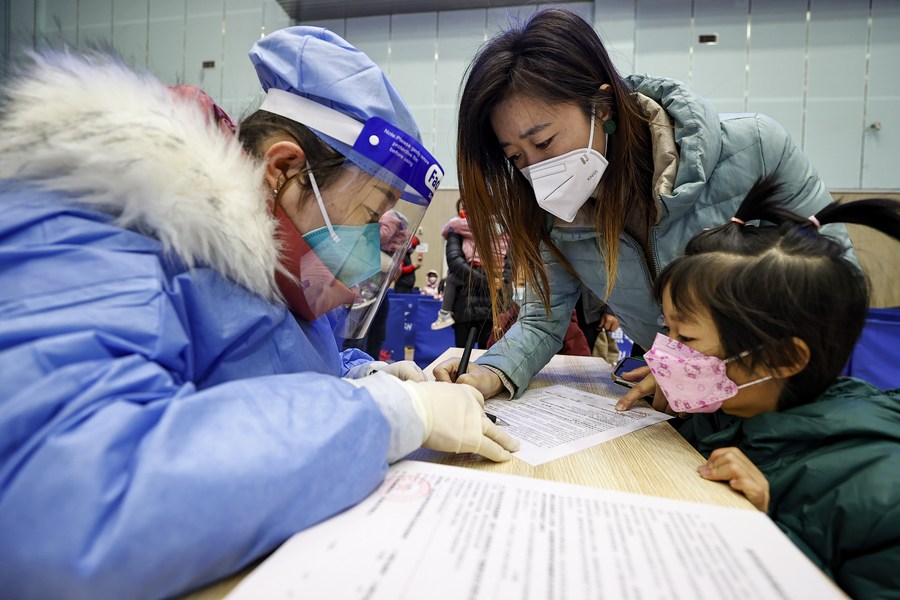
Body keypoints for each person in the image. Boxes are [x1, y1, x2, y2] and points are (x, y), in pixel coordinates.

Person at [0, 28, 518, 599]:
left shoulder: (275, 259)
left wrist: (362, 375)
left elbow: (262, 365)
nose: (371, 250)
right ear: (283, 169)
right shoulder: (101, 221)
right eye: (370, 214)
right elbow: (64, 506)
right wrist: (386, 414)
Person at [433, 8, 855, 401]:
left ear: (602, 107)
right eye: (516, 157)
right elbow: (542, 320)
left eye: (543, 143)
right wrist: (491, 372)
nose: (537, 171)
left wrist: (697, 368)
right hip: (675, 401)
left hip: (776, 397)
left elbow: (837, 286)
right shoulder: (556, 215)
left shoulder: (756, 149)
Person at [617, 178, 900, 598]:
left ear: (782, 358)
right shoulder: (727, 412)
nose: (664, 354)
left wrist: (768, 534)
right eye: (667, 329)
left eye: (686, 338)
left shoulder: (881, 492)